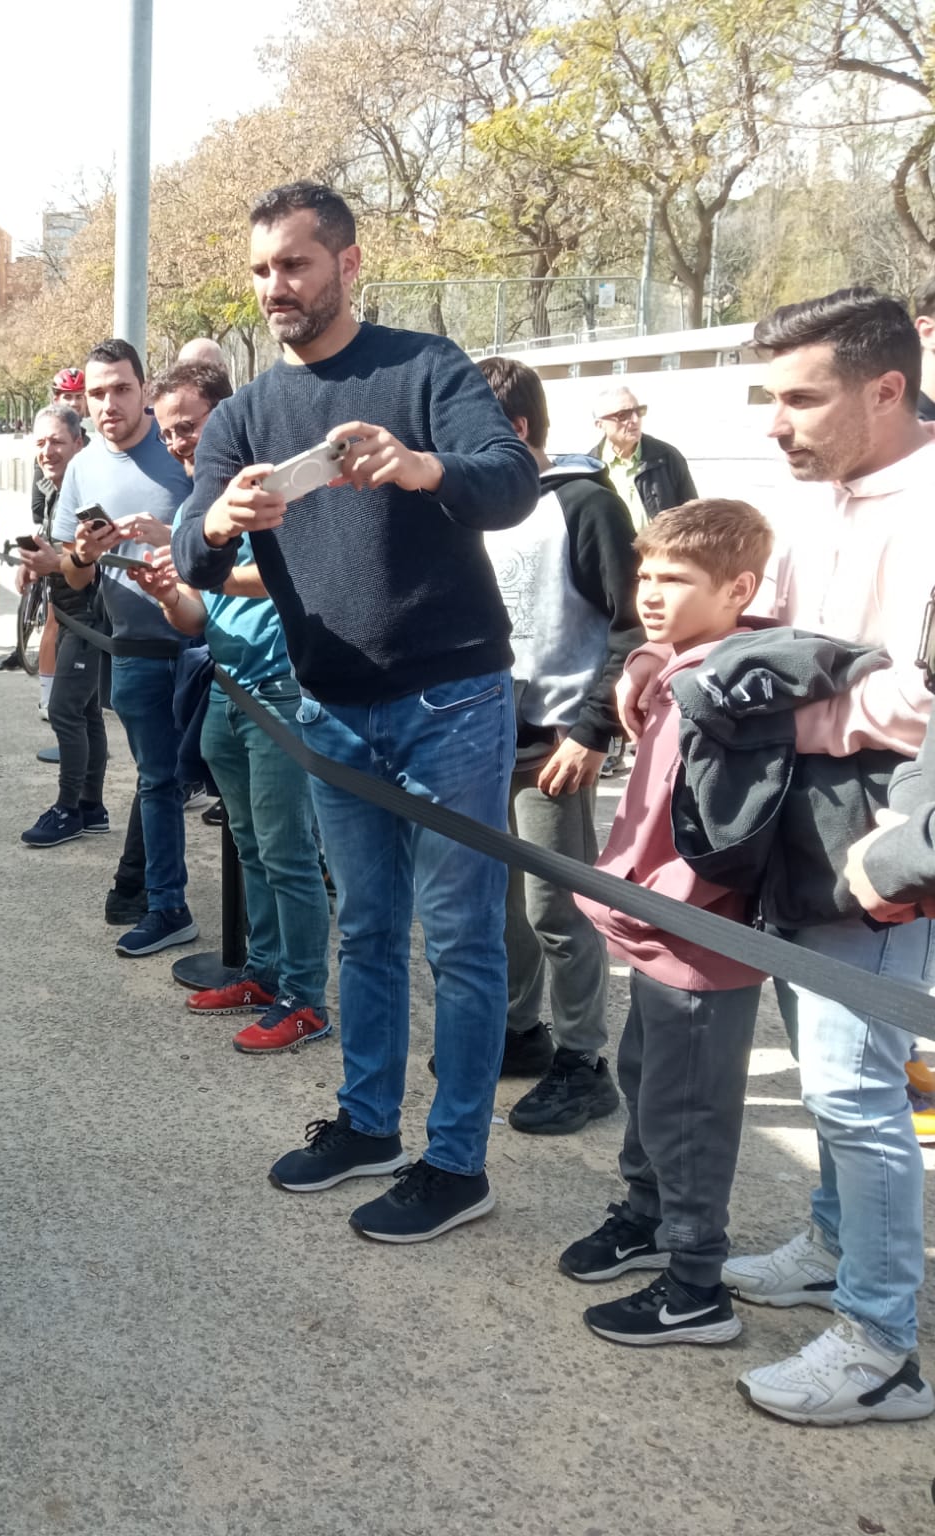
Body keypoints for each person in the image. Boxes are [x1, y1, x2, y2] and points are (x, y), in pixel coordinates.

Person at [174, 181, 540, 1243]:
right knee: (368, 928)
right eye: (258, 270)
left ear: (345, 261)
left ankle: (456, 1163)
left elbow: (510, 480)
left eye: (292, 264)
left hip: (451, 698)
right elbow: (190, 542)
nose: (273, 287)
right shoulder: (242, 414)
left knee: (459, 939)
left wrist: (422, 466)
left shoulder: (423, 365)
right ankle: (369, 1124)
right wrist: (221, 517)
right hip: (331, 707)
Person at [706, 288, 935, 1425]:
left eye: (800, 398)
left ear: (884, 388)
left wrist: (808, 703)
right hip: (799, 821)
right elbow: (785, 642)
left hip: (890, 834)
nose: (776, 424)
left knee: (854, 1091)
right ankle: (834, 1247)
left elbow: (914, 695)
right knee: (820, 1058)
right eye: (770, 398)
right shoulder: (817, 501)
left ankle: (881, 1343)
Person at [562, 499, 775, 1348]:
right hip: (654, 929)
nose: (650, 594)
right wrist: (653, 654)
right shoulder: (690, 667)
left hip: (698, 936)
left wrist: (668, 902)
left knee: (690, 1111)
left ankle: (695, 1286)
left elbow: (725, 835)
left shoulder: (732, 691)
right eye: (645, 576)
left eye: (675, 581)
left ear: (739, 588)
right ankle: (646, 1217)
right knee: (646, 1079)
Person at [133, 361, 333, 1049]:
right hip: (228, 686)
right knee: (249, 846)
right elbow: (195, 616)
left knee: (288, 852)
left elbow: (294, 578)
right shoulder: (202, 499)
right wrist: (168, 591)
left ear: (227, 413)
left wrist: (202, 566)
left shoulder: (270, 488)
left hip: (281, 689)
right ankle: (266, 971)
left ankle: (305, 998)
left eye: (189, 426)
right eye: (169, 433)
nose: (181, 442)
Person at [475, 357, 642, 1134]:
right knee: (500, 905)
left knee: (556, 907)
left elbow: (632, 628)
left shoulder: (585, 506)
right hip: (480, 738)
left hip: (554, 746)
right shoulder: (475, 507)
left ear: (516, 431)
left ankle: (584, 1059)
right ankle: (519, 1034)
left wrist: (591, 730)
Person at [51, 339, 199, 957]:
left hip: (208, 648)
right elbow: (71, 570)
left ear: (143, 388)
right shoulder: (83, 465)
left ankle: (272, 930)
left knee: (238, 792)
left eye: (121, 389)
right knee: (158, 783)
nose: (109, 403)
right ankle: (167, 905)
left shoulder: (178, 448)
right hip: (136, 649)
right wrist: (84, 552)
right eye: (97, 393)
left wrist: (177, 539)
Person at [17, 408, 96, 782]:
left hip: (89, 614)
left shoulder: (90, 486)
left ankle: (71, 808)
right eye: (41, 443)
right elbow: (54, 538)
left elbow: (94, 559)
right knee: (87, 712)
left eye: (57, 442)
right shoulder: (51, 486)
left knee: (65, 712)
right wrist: (35, 561)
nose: (47, 451)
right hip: (65, 609)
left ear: (78, 442)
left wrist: (54, 562)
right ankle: (90, 810)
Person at [588, 385, 697, 532]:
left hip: (660, 552)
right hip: (613, 554)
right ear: (600, 424)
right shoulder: (590, 468)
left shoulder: (667, 457)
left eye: (638, 411)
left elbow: (692, 515)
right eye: (622, 415)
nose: (634, 419)